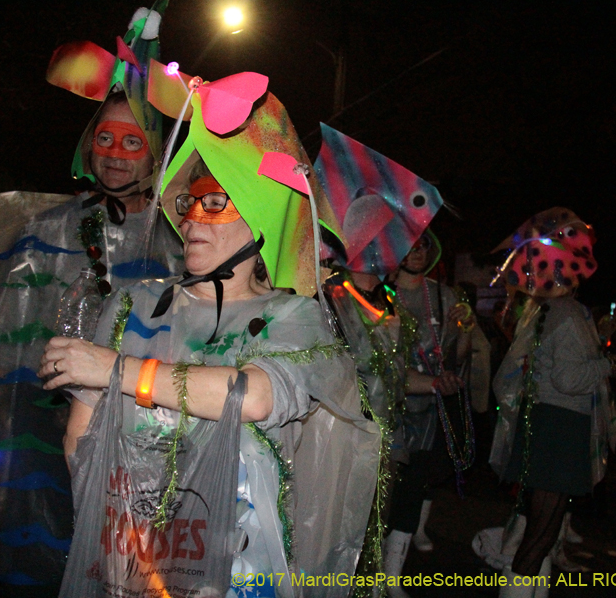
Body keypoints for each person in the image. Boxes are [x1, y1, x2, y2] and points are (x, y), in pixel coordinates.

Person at [48, 81, 378, 597]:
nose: (191, 216)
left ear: (259, 218)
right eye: (188, 202)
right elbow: (81, 440)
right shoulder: (135, 305)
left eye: (216, 202)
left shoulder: (290, 316)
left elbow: (254, 395)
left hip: (240, 568)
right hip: (129, 555)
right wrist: (114, 544)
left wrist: (116, 369)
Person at [0, 6, 182, 594]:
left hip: (145, 444)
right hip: (41, 447)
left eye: (133, 141)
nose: (114, 152)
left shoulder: (184, 244)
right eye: (103, 137)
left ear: (156, 153)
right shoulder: (50, 232)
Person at [313, 122, 446, 589]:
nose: (382, 246)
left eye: (390, 236)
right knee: (330, 543)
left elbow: (394, 376)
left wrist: (433, 384)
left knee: (371, 544)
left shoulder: (391, 305)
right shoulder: (328, 297)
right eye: (370, 234)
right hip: (338, 444)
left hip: (387, 446)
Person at [490, 208, 616, 598]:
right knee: (539, 536)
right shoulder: (565, 312)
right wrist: (608, 364)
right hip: (558, 427)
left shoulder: (554, 310)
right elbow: (568, 380)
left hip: (549, 425)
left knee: (543, 533)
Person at [384, 231, 478, 598]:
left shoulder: (443, 295)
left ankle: (392, 576)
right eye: (408, 244)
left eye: (423, 244)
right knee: (381, 494)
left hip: (427, 410)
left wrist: (466, 327)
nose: (417, 252)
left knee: (413, 489)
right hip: (384, 407)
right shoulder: (379, 292)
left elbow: (457, 356)